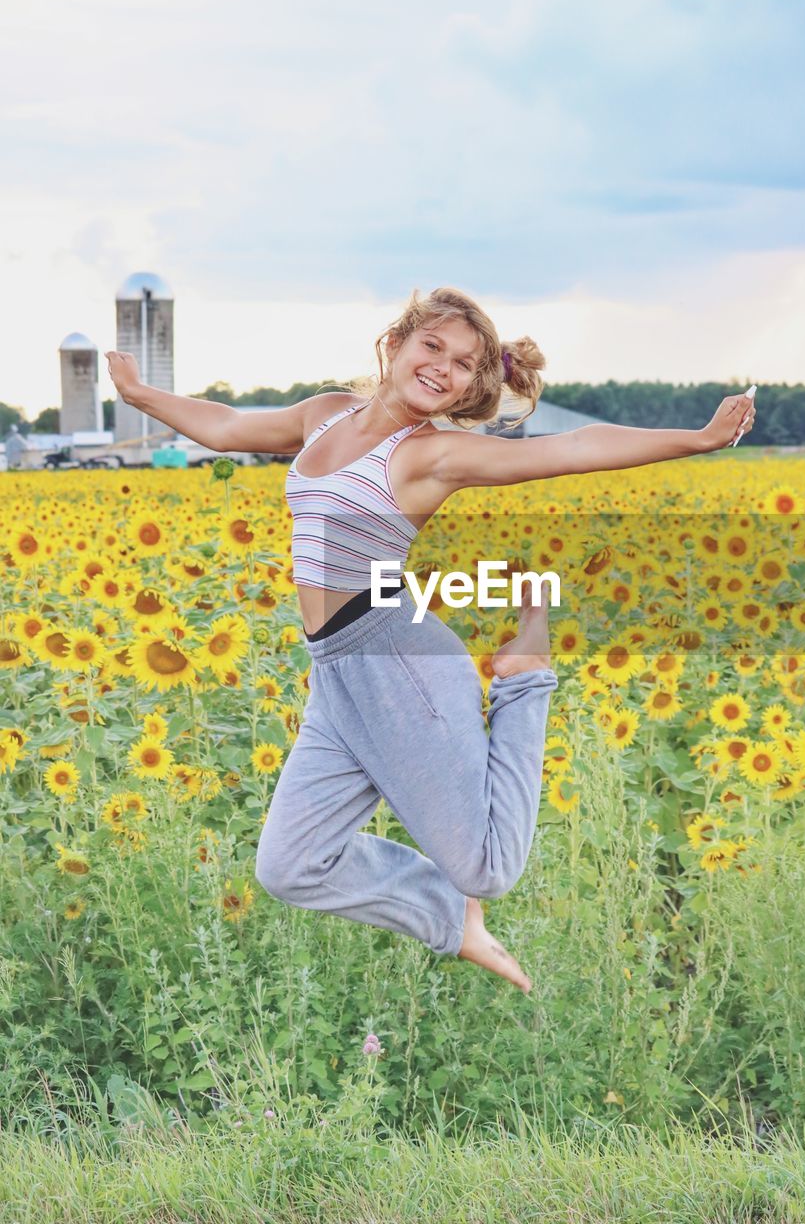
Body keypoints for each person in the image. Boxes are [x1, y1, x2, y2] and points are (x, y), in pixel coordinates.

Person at [106, 285, 755, 994]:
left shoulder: (433, 455)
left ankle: (525, 676)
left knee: (488, 867)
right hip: (338, 673)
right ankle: (450, 916)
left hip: (398, 659)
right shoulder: (326, 415)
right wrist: (141, 396)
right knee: (291, 866)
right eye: (433, 346)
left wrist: (697, 439)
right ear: (396, 345)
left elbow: (572, 448)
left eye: (465, 363)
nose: (443, 367)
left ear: (474, 386)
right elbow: (229, 425)